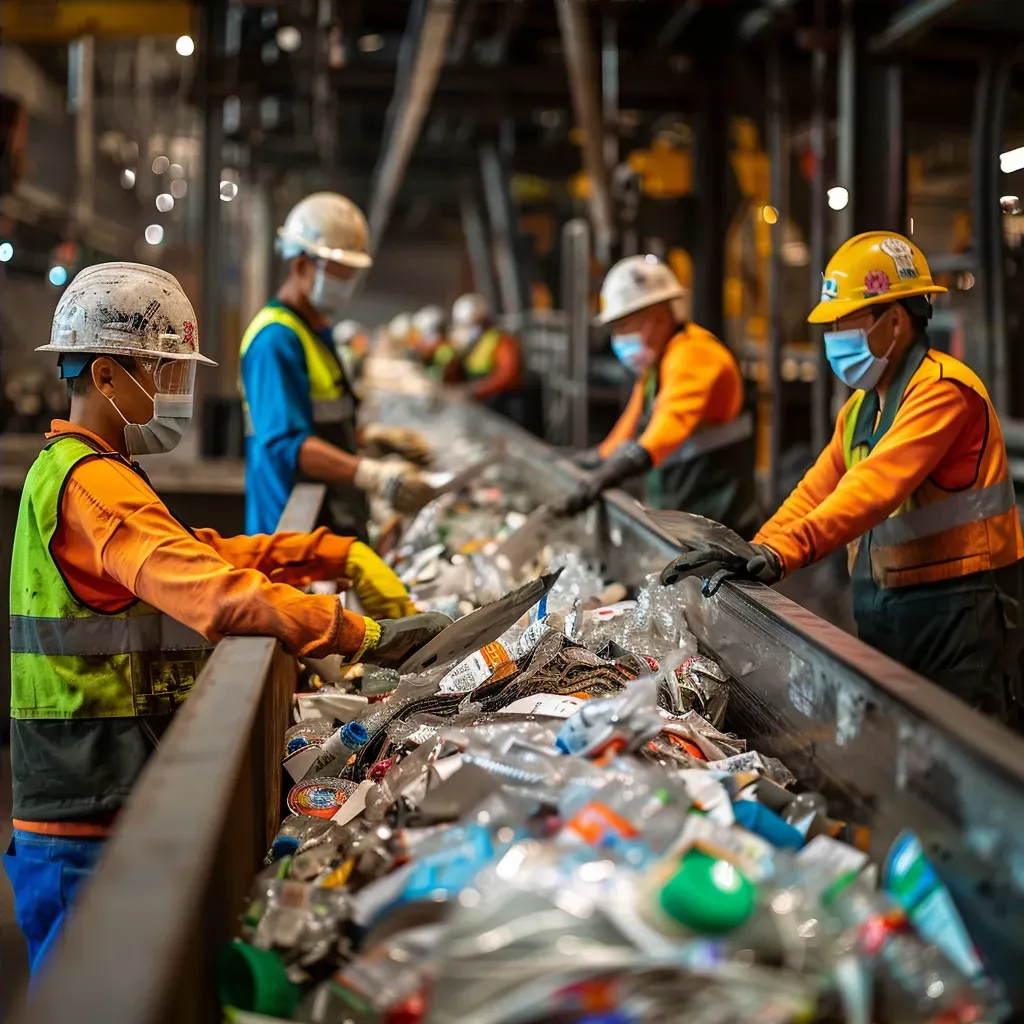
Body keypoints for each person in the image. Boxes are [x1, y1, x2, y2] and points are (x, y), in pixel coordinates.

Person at [4, 262, 450, 973]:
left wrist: (327, 552)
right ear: (109, 376)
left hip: (102, 792)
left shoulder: (98, 470)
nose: (174, 393)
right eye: (163, 371)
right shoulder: (93, 489)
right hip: (86, 807)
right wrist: (357, 632)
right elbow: (211, 590)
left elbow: (200, 551)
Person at [662, 232, 1024, 722]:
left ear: (894, 320)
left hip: (959, 612)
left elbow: (871, 489)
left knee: (964, 764)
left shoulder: (943, 392)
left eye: (844, 322)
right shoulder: (861, 408)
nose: (834, 337)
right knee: (904, 755)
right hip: (887, 605)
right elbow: (817, 489)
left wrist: (783, 553)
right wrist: (755, 548)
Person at [239, 192, 434, 540]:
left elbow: (318, 419)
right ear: (301, 265)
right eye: (339, 272)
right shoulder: (274, 341)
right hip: (290, 525)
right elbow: (286, 444)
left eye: (352, 274)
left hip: (325, 511)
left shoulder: (315, 330)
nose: (347, 284)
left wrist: (367, 438)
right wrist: (373, 474)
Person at [558, 255, 757, 536]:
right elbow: (631, 422)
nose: (618, 337)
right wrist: (595, 459)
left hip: (716, 518)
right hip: (687, 508)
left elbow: (671, 422)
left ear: (658, 317)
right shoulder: (658, 364)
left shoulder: (694, 352)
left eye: (624, 326)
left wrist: (619, 468)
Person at [444, 293, 525, 421]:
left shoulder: (501, 340)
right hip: (482, 405)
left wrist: (476, 390)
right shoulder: (471, 345)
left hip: (501, 406)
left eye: (472, 324)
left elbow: (508, 374)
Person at [411, 305, 454, 377]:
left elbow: (440, 379)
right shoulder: (428, 355)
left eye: (427, 337)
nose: (421, 343)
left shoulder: (445, 353)